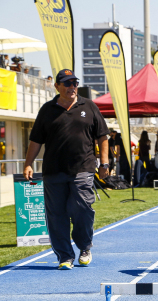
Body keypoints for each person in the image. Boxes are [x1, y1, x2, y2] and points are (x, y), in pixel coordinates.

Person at [23, 69, 109, 270]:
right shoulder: (47, 110)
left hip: (83, 167)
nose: (72, 87)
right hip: (53, 171)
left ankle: (84, 246)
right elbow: (36, 141)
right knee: (56, 215)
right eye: (67, 83)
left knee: (82, 207)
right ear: (57, 86)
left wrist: (104, 163)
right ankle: (65, 256)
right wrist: (28, 164)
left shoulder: (88, 106)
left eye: (75, 83)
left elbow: (102, 136)